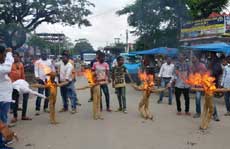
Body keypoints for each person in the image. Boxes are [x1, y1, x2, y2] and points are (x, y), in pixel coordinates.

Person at [191, 56, 220, 121]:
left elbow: (207, 74)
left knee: (211, 100)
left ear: (197, 59)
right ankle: (198, 112)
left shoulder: (202, 65)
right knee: (197, 98)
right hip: (198, 85)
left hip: (206, 85)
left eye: (193, 58)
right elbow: (193, 76)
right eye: (192, 58)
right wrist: (193, 84)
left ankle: (215, 115)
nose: (192, 59)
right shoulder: (193, 67)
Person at [9, 52, 32, 124]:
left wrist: (24, 83)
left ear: (19, 57)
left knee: (25, 98)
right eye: (14, 57)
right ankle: (15, 116)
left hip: (21, 84)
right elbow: (8, 75)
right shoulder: (10, 64)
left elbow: (22, 75)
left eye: (16, 56)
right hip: (13, 85)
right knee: (15, 101)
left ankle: (24, 115)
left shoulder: (21, 64)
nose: (15, 58)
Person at [0, 46, 14, 148]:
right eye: (3, 55)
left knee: (2, 121)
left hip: (4, 98)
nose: (5, 58)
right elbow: (8, 67)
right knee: (2, 122)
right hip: (1, 99)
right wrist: (9, 53)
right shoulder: (2, 68)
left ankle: (2, 142)